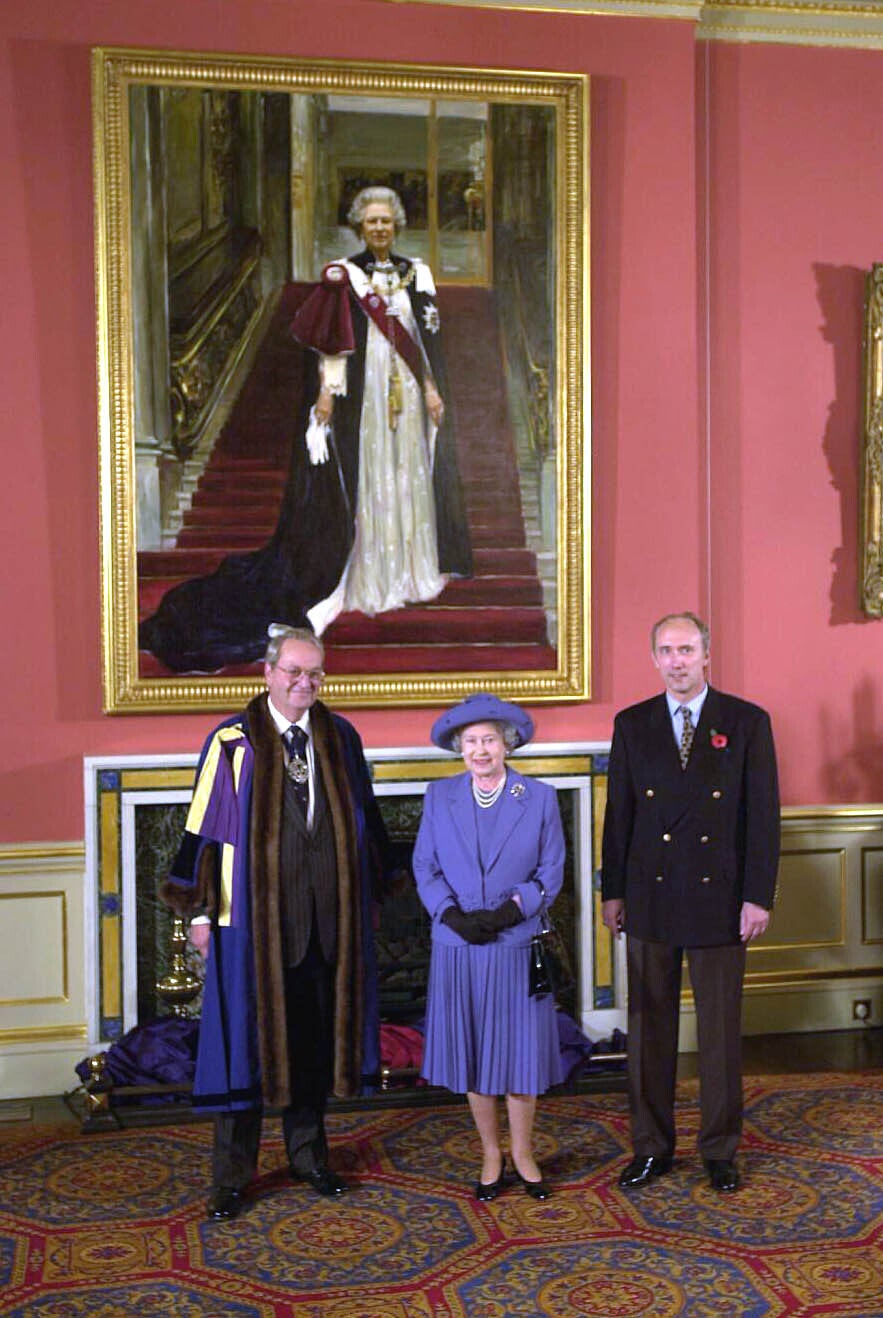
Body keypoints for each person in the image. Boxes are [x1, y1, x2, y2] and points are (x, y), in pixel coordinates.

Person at [139, 185, 471, 672]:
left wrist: (432, 389)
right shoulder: (345, 277)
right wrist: (326, 398)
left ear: (397, 225)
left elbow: (425, 339)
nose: (379, 228)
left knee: (409, 477)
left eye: (387, 221)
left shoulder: (416, 273)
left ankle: (408, 572)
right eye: (371, 221)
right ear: (360, 226)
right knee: (373, 476)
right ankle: (368, 575)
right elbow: (333, 345)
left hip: (408, 393)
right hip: (365, 400)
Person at [160, 625, 389, 1219]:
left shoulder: (341, 738)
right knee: (244, 1046)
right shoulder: (233, 742)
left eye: (314, 673)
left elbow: (368, 820)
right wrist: (202, 914)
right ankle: (232, 1177)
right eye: (293, 671)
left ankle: (310, 1156)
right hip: (250, 923)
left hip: (326, 922)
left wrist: (372, 899)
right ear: (267, 673)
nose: (304, 683)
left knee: (312, 1043)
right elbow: (201, 835)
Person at [601, 612, 780, 1195]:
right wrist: (613, 892)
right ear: (653, 659)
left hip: (721, 898)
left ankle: (719, 1150)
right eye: (666, 650)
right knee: (649, 1029)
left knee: (720, 1033)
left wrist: (757, 896)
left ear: (708, 654)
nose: (676, 660)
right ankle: (651, 1148)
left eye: (687, 649)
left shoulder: (747, 721)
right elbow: (619, 815)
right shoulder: (632, 724)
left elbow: (763, 818)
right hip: (649, 893)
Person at [412, 691, 566, 1201]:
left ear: (508, 745)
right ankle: (490, 1154)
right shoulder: (439, 796)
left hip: (515, 941)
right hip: (458, 944)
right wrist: (452, 915)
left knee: (519, 1056)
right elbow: (425, 867)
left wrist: (508, 912)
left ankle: (523, 1152)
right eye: (472, 741)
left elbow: (552, 872)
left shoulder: (539, 798)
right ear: (459, 748)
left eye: (490, 740)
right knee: (476, 1057)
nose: (481, 750)